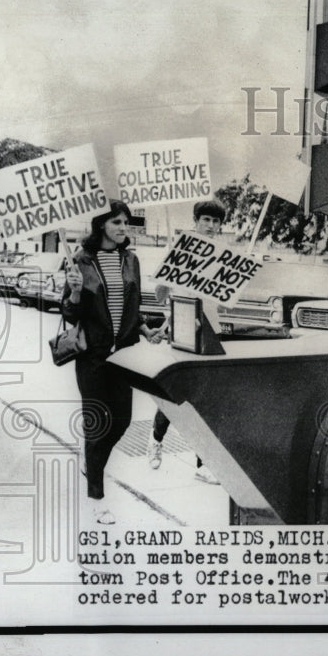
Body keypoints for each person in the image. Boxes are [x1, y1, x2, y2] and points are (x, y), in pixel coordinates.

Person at [62, 201, 162, 524]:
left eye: (126, 223)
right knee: (97, 427)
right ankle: (97, 499)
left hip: (124, 355)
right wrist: (75, 294)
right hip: (92, 355)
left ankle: (92, 463)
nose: (123, 228)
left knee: (122, 421)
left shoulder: (130, 259)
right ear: (101, 225)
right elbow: (69, 313)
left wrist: (145, 328)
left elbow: (132, 304)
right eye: (117, 222)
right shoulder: (81, 260)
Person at [147, 199, 225, 484]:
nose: (212, 227)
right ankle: (156, 440)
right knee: (176, 393)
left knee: (207, 398)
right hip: (182, 328)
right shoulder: (179, 249)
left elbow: (225, 293)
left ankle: (203, 463)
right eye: (206, 220)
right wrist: (168, 292)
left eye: (216, 222)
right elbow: (159, 293)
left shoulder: (222, 255)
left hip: (210, 329)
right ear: (195, 220)